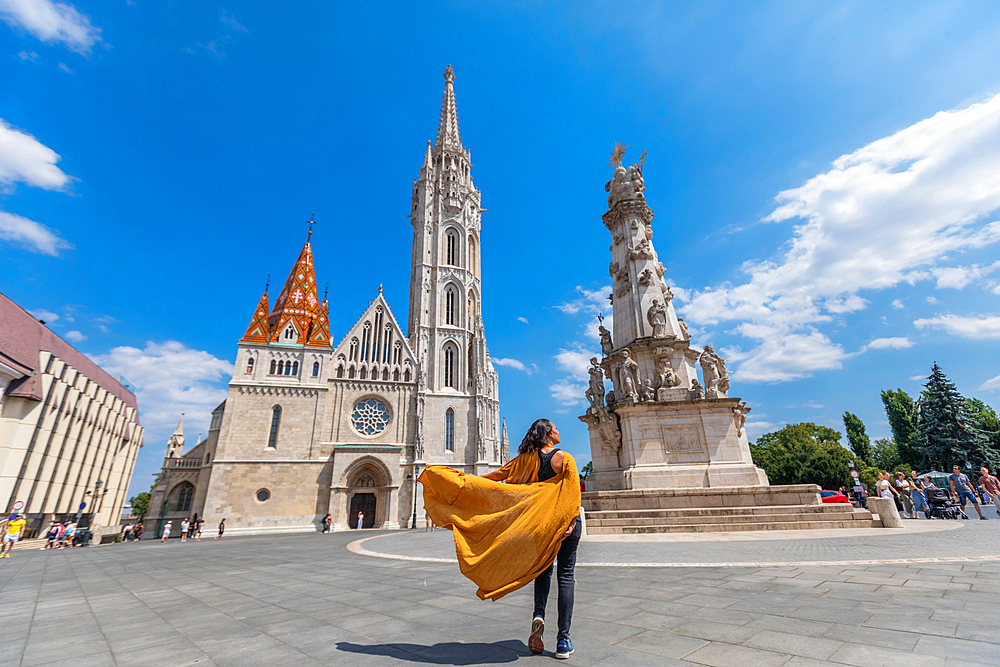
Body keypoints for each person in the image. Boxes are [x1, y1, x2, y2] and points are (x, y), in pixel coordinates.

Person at [481, 420, 580, 660]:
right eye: (555, 428)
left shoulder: (525, 460)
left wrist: (462, 482)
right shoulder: (564, 459)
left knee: (543, 573)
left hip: (541, 526)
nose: (559, 431)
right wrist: (571, 522)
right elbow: (573, 493)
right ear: (548, 434)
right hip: (565, 524)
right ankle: (563, 641)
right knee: (565, 577)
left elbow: (496, 476)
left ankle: (538, 615)